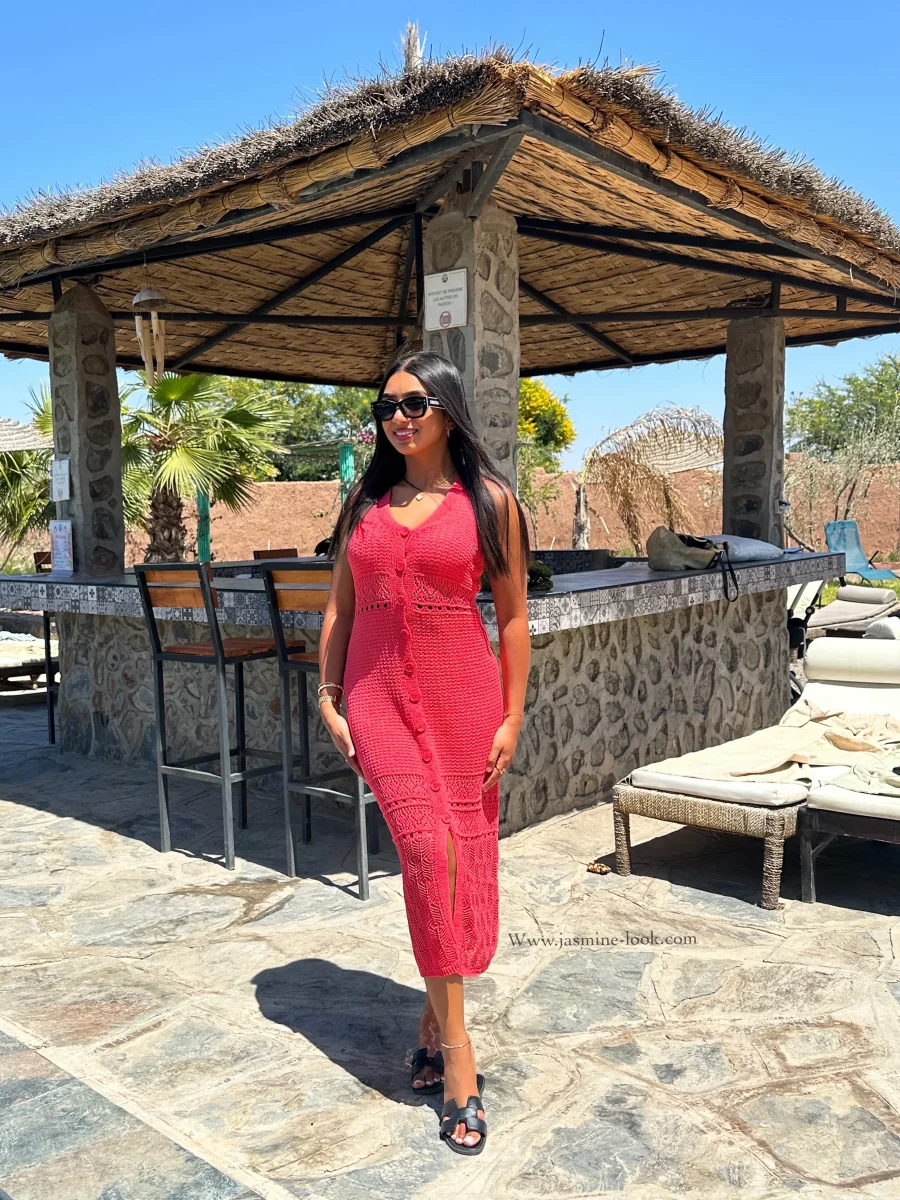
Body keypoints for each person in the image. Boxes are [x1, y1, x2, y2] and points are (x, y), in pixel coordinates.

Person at [319, 350, 530, 1156]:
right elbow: (339, 609)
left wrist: (512, 715)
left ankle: (432, 1018)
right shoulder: (366, 501)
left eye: (413, 404)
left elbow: (513, 618)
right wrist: (327, 695)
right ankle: (460, 1057)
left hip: (464, 700)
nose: (398, 419)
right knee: (423, 847)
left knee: (456, 857)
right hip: (376, 700)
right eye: (386, 408)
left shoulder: (491, 502)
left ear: (447, 408)